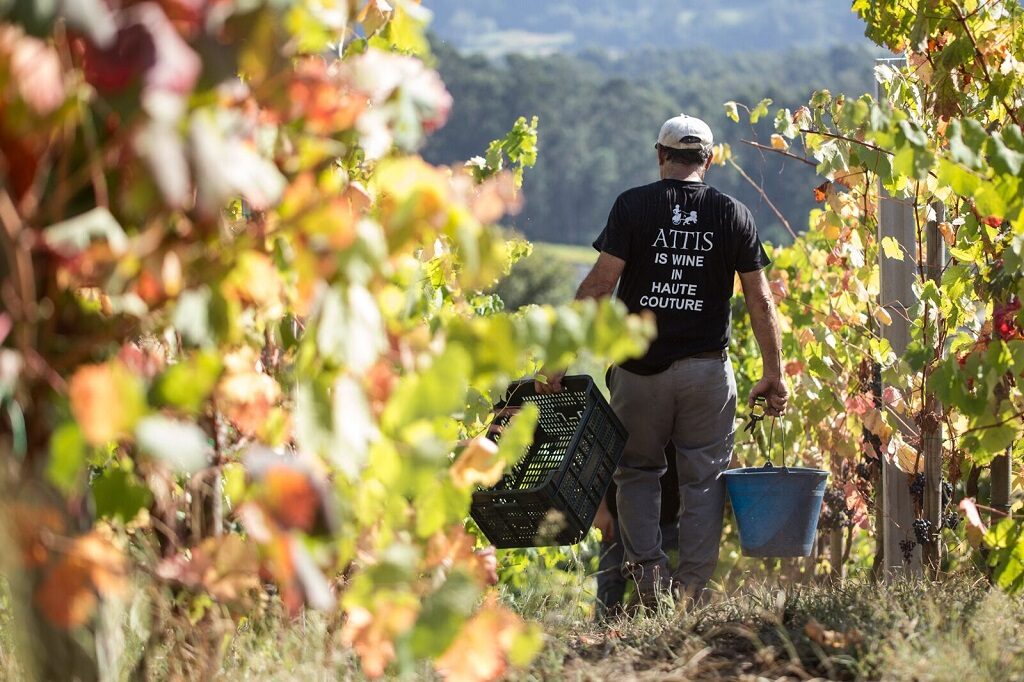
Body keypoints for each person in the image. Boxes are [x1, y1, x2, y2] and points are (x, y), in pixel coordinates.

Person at [539, 113, 787, 605]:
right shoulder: (733, 213)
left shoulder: (633, 206)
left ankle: (649, 579)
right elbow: (760, 300)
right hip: (707, 373)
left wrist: (557, 362)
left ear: (660, 156)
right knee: (704, 479)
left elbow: (598, 286)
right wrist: (774, 373)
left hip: (639, 373)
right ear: (708, 160)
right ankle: (692, 590)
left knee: (636, 473)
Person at [593, 442, 679, 619]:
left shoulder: (683, 418)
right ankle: (605, 625)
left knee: (668, 579)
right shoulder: (628, 414)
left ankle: (666, 623)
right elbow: (598, 455)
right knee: (612, 576)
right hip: (619, 516)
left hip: (669, 517)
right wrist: (600, 509)